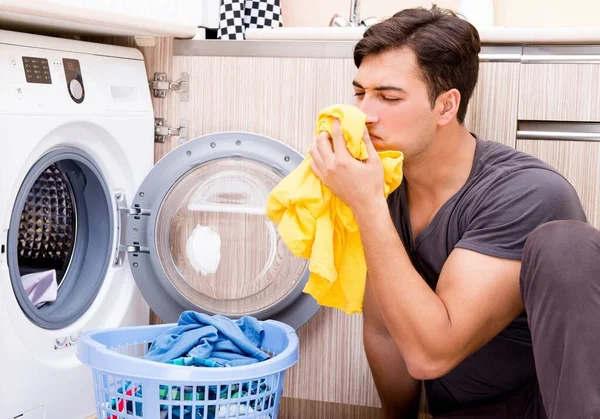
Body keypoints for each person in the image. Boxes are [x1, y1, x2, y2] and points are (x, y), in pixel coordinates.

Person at [308, 5, 600, 419]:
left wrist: (367, 205)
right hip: (461, 411)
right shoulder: (381, 184)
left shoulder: (525, 193)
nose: (364, 115)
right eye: (360, 94)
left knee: (567, 243)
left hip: (542, 407)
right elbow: (384, 332)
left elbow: (431, 356)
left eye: (388, 97)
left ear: (446, 107)